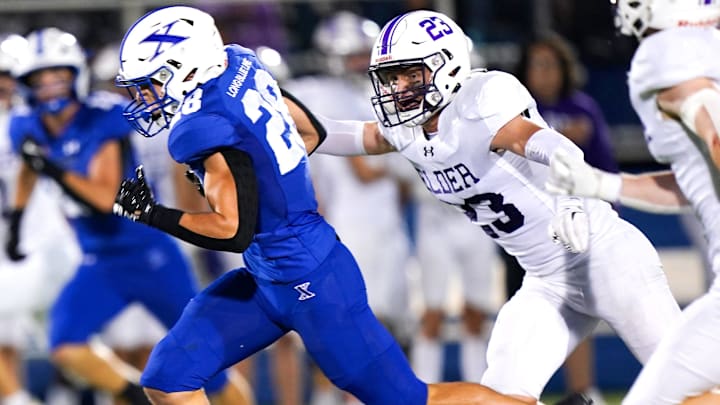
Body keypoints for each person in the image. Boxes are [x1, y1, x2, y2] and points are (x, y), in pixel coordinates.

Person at [113, 5, 533, 405]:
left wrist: (151, 213)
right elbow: (309, 131)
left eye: (151, 82)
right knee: (168, 378)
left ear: (187, 68)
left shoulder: (199, 127)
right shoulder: (240, 65)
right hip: (266, 276)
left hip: (311, 277)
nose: (146, 97)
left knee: (407, 398)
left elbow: (231, 230)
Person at [310, 8, 682, 404]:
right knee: (501, 397)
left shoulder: (481, 101)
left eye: (409, 74)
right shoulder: (409, 130)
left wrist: (573, 199)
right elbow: (337, 134)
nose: (398, 87)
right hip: (547, 281)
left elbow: (555, 146)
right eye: (391, 77)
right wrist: (270, 119)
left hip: (605, 257)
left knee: (685, 388)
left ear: (446, 67)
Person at [6, 27, 249, 405]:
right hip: (99, 258)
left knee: (209, 369)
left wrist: (51, 168)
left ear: (76, 74)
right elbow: (28, 163)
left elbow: (106, 198)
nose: (50, 85)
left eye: (58, 74)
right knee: (66, 345)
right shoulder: (25, 123)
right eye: (40, 77)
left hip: (147, 254)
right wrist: (17, 218)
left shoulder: (102, 118)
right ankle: (136, 395)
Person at [544, 0, 720, 403]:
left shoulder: (664, 54)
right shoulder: (706, 45)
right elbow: (695, 180)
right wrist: (602, 185)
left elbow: (715, 137)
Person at [513, 32, 619, 405]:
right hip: (526, 231)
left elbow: (605, 168)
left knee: (579, 313)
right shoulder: (512, 112)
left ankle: (583, 390)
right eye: (537, 65)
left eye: (550, 64)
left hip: (576, 228)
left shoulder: (583, 108)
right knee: (524, 320)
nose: (544, 73)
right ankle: (526, 395)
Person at [0, 32, 80, 405]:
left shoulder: (32, 122)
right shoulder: (32, 122)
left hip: (46, 243)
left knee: (71, 341)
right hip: (32, 244)